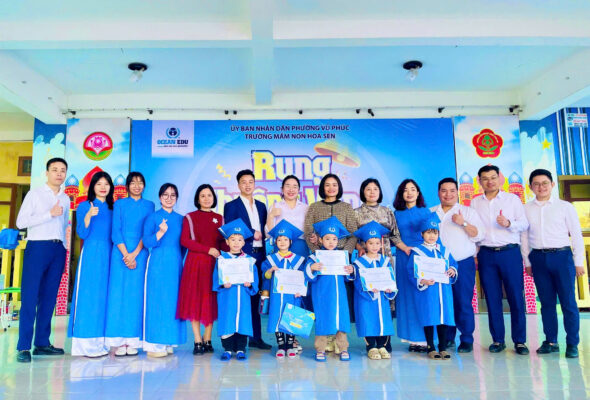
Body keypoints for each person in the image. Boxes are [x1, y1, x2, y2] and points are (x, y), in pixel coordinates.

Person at [521, 169, 585, 358]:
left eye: (545, 183)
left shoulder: (565, 207)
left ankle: (572, 343)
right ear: (531, 186)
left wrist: (578, 261)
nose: (541, 187)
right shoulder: (526, 209)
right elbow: (524, 237)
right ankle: (551, 341)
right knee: (546, 302)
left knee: (568, 302)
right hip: (538, 258)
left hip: (562, 257)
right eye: (536, 184)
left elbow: (576, 234)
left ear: (552, 185)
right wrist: (527, 261)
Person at [471, 165, 530, 355]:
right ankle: (498, 340)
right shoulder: (475, 203)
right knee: (492, 298)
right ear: (479, 181)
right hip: (486, 254)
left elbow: (524, 224)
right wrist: (475, 254)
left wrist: (509, 223)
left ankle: (520, 341)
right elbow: (474, 230)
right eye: (485, 178)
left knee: (515, 297)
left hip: (509, 253)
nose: (490, 181)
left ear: (500, 178)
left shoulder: (512, 199)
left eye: (493, 177)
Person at [16, 157, 70, 363]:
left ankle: (41, 343)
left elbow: (63, 224)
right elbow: (21, 222)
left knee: (49, 298)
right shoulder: (35, 194)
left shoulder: (66, 198)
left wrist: (63, 246)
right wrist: (49, 214)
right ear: (47, 172)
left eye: (62, 170)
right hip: (37, 247)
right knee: (30, 297)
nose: (59, 173)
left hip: (58, 249)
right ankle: (23, 347)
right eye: (55, 169)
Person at [304, 173, 358, 353]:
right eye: (327, 184)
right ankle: (325, 338)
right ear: (322, 187)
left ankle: (338, 339)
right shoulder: (314, 207)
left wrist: (345, 254)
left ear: (339, 187)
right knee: (324, 299)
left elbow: (353, 234)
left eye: (334, 184)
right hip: (322, 259)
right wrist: (317, 252)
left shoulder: (346, 207)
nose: (331, 188)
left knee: (339, 300)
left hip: (341, 259)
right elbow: (308, 232)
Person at [431, 177, 485, 353]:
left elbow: (479, 235)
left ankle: (467, 338)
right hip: (438, 265)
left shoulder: (468, 212)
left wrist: (463, 223)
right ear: (438, 193)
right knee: (443, 302)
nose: (448, 194)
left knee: (463, 301)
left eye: (452, 191)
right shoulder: (431, 212)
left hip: (462, 263)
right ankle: (447, 338)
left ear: (457, 192)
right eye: (444, 191)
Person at [105, 172, 155, 356]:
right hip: (120, 253)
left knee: (136, 296)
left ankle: (133, 340)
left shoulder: (149, 205)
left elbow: (147, 232)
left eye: (140, 182)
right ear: (127, 186)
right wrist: (126, 254)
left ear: (144, 186)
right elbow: (116, 231)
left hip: (140, 254)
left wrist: (134, 254)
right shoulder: (119, 204)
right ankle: (118, 342)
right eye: (133, 183)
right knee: (118, 295)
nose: (137, 186)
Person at [223, 169, 271, 350]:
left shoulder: (261, 206)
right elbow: (232, 228)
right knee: (242, 297)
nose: (248, 185)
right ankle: (240, 338)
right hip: (243, 255)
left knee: (256, 295)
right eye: (244, 182)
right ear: (238, 185)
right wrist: (252, 233)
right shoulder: (231, 206)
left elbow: (265, 230)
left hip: (260, 255)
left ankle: (256, 338)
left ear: (255, 184)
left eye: (251, 182)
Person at [69, 171, 114, 357]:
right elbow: (82, 233)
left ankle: (101, 343)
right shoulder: (84, 206)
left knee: (104, 298)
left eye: (106, 184)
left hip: (109, 255)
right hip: (92, 254)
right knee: (89, 295)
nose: (103, 187)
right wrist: (88, 216)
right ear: (92, 186)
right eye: (99, 184)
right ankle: (85, 344)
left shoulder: (113, 209)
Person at [177, 184, 226, 355]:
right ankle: (197, 340)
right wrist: (207, 249)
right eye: (203, 196)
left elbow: (222, 243)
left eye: (209, 195)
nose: (206, 199)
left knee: (210, 300)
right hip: (195, 264)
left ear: (214, 198)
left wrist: (236, 243)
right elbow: (185, 241)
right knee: (195, 300)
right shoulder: (190, 217)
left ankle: (208, 338)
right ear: (197, 199)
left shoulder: (220, 218)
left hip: (213, 265)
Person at [142, 183, 186, 357]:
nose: (169, 198)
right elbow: (147, 242)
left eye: (173, 195)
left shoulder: (181, 219)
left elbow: (183, 246)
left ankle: (169, 341)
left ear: (177, 198)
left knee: (173, 302)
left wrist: (177, 259)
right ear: (160, 197)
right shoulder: (152, 218)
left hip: (175, 264)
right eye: (165, 195)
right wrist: (160, 233)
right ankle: (155, 344)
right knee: (157, 300)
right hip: (157, 263)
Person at [407, 215, 458, 360]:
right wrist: (421, 280)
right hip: (428, 291)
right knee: (429, 316)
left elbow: (453, 264)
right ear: (422, 234)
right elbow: (411, 271)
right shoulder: (417, 251)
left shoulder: (444, 251)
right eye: (428, 232)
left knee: (443, 317)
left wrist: (452, 270)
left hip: (443, 290)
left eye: (435, 233)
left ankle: (443, 347)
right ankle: (431, 347)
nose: (432, 236)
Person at [305, 216, 355, 362]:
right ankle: (320, 349)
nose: (331, 242)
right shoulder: (315, 257)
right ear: (320, 240)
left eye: (334, 239)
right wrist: (311, 268)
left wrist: (351, 270)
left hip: (339, 294)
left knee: (341, 319)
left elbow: (348, 277)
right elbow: (307, 274)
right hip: (322, 294)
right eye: (327, 239)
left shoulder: (342, 257)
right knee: (323, 319)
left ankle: (343, 348)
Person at [393, 179, 432, 352]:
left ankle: (426, 339)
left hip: (422, 257)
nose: (409, 193)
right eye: (405, 190)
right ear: (401, 194)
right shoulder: (396, 214)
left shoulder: (426, 212)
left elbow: (433, 234)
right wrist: (404, 247)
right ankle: (411, 339)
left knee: (423, 295)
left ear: (418, 193)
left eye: (413, 189)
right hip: (404, 256)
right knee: (407, 297)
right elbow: (392, 236)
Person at [213, 218, 259, 361]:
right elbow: (216, 278)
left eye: (239, 240)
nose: (236, 243)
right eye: (232, 240)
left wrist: (250, 284)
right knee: (227, 320)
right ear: (227, 242)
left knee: (242, 321)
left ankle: (240, 349)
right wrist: (222, 284)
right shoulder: (222, 259)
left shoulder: (249, 260)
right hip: (227, 296)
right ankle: (227, 349)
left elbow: (254, 279)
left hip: (243, 296)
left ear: (244, 242)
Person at [261, 220, 306, 359]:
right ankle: (281, 347)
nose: (282, 242)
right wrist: (270, 270)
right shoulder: (271, 260)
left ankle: (290, 345)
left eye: (285, 239)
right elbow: (265, 276)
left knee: (291, 317)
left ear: (290, 242)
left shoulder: (298, 260)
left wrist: (301, 291)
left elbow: (303, 278)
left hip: (293, 295)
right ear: (275, 242)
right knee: (277, 317)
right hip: (276, 295)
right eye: (279, 240)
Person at [352, 221, 397, 360]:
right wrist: (369, 290)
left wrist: (390, 289)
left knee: (383, 319)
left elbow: (391, 278)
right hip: (366, 298)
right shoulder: (359, 263)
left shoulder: (385, 261)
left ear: (381, 244)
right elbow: (358, 282)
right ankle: (371, 347)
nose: (375, 246)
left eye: (377, 243)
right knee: (368, 320)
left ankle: (382, 346)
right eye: (371, 243)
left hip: (382, 297)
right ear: (365, 244)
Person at [354, 178, 402, 259]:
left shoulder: (387, 211)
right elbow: (352, 238)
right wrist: (359, 248)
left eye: (375, 189)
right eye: (368, 189)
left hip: (385, 257)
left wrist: (406, 248)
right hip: (365, 257)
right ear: (363, 192)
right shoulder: (355, 213)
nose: (372, 192)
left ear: (379, 192)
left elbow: (395, 235)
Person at [266, 175, 309, 256]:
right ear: (282, 189)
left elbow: (310, 232)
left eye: (295, 187)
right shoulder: (275, 206)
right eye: (288, 186)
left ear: (299, 190)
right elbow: (268, 235)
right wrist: (271, 216)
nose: (291, 190)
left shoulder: (306, 208)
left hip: (301, 247)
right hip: (280, 248)